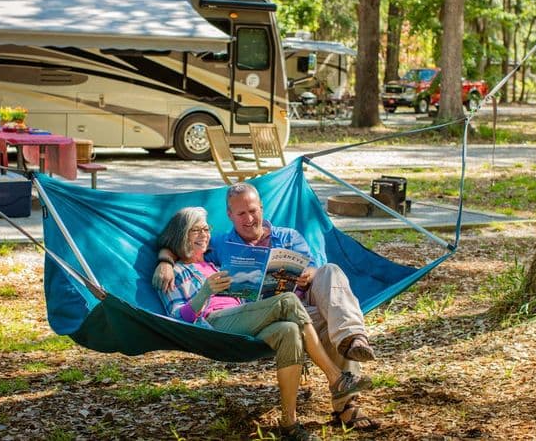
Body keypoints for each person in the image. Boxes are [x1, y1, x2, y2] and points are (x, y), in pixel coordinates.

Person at [153, 183, 379, 430]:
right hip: (262, 314)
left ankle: (352, 339)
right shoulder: (220, 246)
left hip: (307, 303)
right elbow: (180, 245)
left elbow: (314, 268)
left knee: (330, 272)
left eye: (253, 211)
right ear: (230, 215)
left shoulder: (288, 237)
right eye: (241, 213)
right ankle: (342, 393)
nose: (249, 219)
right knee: (311, 318)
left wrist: (309, 274)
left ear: (261, 207)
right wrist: (165, 260)